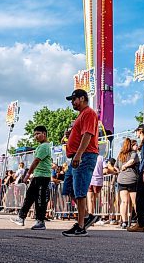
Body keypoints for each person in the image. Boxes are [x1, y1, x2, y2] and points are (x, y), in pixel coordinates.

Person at [62, 89, 99, 237]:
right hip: (77, 157)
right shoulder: (81, 115)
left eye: (74, 99)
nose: (72, 102)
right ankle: (86, 217)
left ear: (82, 98)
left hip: (84, 156)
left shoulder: (89, 113)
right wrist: (70, 135)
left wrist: (78, 154)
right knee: (69, 188)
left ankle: (81, 226)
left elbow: (88, 135)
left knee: (80, 191)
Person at [10, 125, 52, 230]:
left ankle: (40, 221)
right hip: (38, 176)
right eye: (34, 135)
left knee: (39, 199)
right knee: (29, 197)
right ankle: (21, 217)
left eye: (38, 134)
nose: (36, 136)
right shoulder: (41, 146)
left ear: (44, 134)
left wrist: (28, 174)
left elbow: (36, 161)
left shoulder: (44, 147)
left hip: (42, 176)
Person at [116, 137, 140, 228]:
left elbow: (116, 167)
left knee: (124, 201)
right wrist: (126, 166)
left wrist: (120, 171)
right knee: (135, 202)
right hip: (132, 179)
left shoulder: (120, 155)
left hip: (121, 179)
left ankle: (124, 222)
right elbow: (132, 161)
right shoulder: (133, 153)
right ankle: (139, 220)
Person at [87, 155, 104, 223]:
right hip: (97, 181)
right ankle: (93, 216)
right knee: (96, 200)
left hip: (89, 179)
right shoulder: (101, 157)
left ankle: (91, 216)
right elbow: (105, 169)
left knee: (90, 200)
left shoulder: (88, 157)